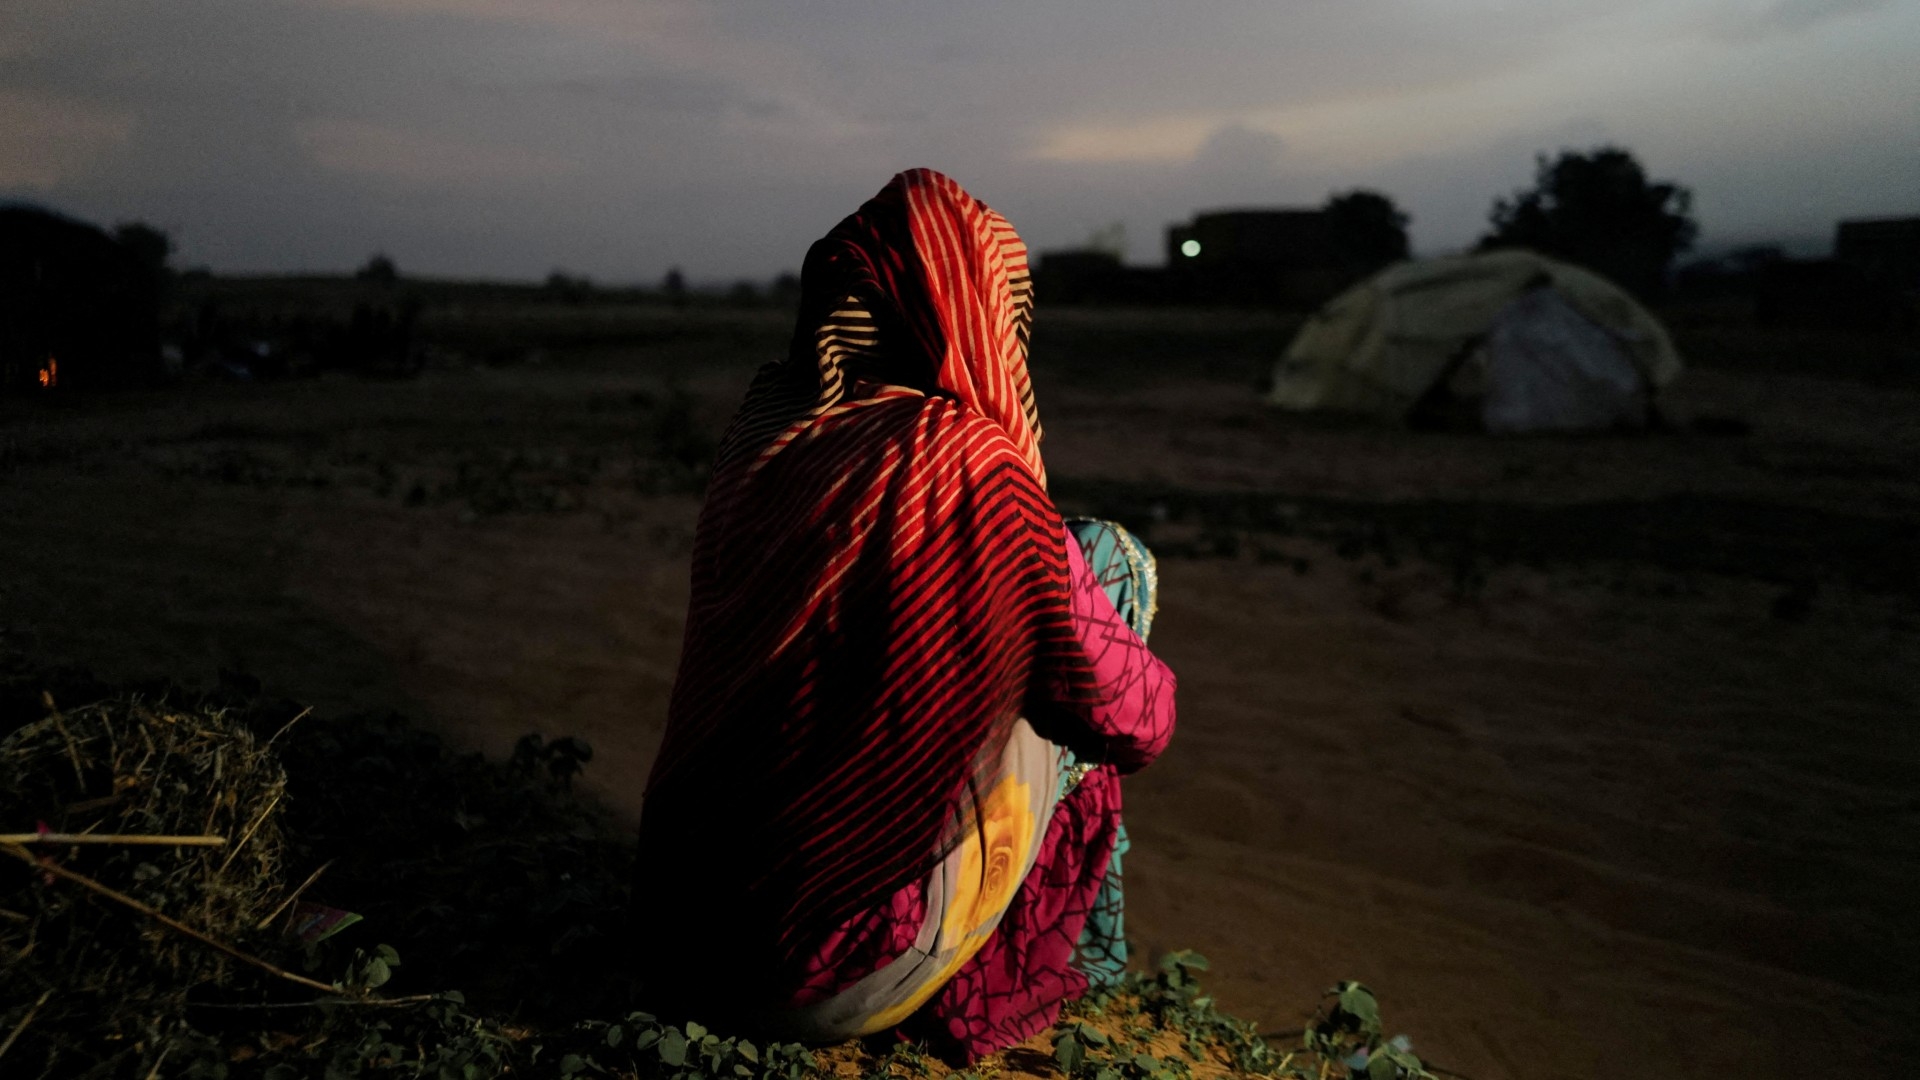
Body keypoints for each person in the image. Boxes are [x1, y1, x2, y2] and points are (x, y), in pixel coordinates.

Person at [631, 168, 1175, 1060]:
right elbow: (1130, 725)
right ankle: (1021, 972)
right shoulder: (973, 466)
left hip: (676, 951)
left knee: (1043, 581)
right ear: (975, 309)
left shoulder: (767, 432)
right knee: (1107, 567)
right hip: (833, 981)